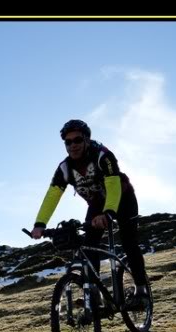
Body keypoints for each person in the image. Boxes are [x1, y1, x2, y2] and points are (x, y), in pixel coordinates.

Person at [30, 119, 148, 303]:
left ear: (86, 139)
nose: (72, 145)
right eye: (68, 142)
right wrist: (39, 224)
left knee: (129, 243)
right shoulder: (65, 168)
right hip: (96, 204)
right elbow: (52, 195)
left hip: (123, 199)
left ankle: (141, 291)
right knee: (88, 244)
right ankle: (94, 293)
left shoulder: (103, 156)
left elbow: (113, 184)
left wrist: (109, 213)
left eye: (77, 140)